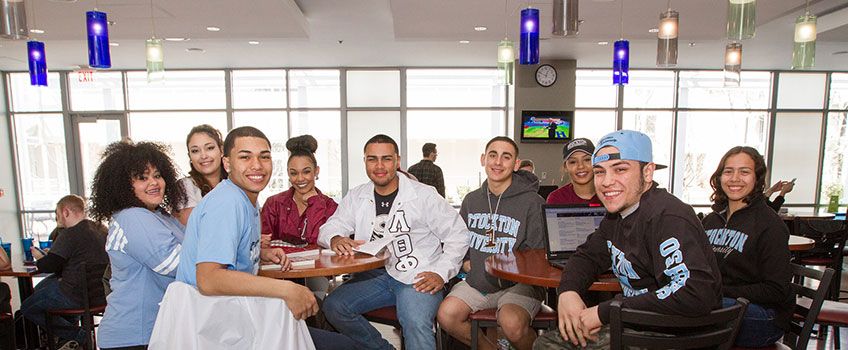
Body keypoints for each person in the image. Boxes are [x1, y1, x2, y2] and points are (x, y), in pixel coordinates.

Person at [149, 126, 348, 350]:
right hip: (212, 325)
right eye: (245, 157)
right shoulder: (227, 202)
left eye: (264, 157)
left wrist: (259, 253)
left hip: (233, 313)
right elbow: (209, 278)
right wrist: (288, 290)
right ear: (227, 164)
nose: (257, 165)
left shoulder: (246, 201)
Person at [533, 130, 722, 350]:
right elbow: (587, 255)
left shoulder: (668, 216)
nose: (606, 182)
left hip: (675, 335)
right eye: (600, 172)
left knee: (548, 346)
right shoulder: (617, 216)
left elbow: (695, 292)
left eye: (620, 169)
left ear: (648, 172)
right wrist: (568, 291)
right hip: (639, 324)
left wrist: (605, 312)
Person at [318, 134, 469, 350]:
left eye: (386, 159)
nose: (379, 166)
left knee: (415, 322)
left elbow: (458, 235)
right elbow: (331, 226)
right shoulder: (356, 196)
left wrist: (441, 273)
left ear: (397, 161)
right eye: (372, 159)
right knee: (334, 306)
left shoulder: (424, 196)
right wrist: (335, 238)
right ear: (365, 162)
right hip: (374, 276)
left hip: (417, 277)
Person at [438, 136, 546, 350]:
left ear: (515, 164)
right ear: (483, 159)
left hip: (520, 285)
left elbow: (537, 254)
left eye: (506, 157)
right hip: (479, 281)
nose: (498, 162)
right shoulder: (471, 200)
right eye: (493, 155)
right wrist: (468, 263)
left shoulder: (533, 202)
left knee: (511, 323)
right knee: (446, 314)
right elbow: (460, 241)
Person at [89, 141, 186, 350]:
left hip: (155, 332)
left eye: (157, 175)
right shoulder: (133, 217)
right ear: (123, 185)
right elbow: (175, 265)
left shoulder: (161, 216)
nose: (154, 183)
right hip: (133, 336)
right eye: (142, 178)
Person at [702, 146, 793, 347]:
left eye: (744, 172)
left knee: (692, 310)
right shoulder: (711, 220)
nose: (735, 178)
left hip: (763, 315)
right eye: (728, 171)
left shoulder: (770, 225)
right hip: (720, 304)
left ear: (757, 179)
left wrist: (718, 291)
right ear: (719, 177)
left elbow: (776, 290)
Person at [21, 195, 108, 350]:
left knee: (28, 307)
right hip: (101, 294)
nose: (57, 219)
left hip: (75, 295)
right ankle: (67, 342)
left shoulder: (69, 234)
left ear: (65, 212)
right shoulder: (101, 230)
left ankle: (77, 335)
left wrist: (40, 257)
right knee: (49, 288)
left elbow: (47, 266)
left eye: (57, 215)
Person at [261, 134, 338, 298]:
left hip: (315, 270)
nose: (300, 179)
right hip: (278, 271)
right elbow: (264, 243)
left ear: (316, 171)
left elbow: (317, 240)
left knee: (313, 299)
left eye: (306, 172)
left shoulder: (330, 206)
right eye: (294, 173)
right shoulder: (274, 203)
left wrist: (314, 203)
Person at [173, 124, 228, 226]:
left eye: (209, 148)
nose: (203, 156)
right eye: (195, 151)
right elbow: (195, 227)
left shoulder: (236, 184)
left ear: (221, 150)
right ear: (190, 156)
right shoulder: (185, 186)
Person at [547, 138, 601, 205]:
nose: (580, 166)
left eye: (587, 160)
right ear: (565, 167)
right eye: (573, 162)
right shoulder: (557, 198)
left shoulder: (609, 193)